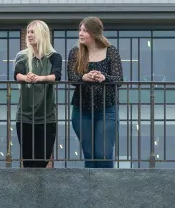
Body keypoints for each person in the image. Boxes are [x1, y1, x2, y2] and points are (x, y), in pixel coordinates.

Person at [67, 16, 123, 168]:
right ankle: (90, 190)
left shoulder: (111, 51)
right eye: (80, 30)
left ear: (94, 33)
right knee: (90, 155)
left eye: (84, 30)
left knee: (103, 154)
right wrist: (84, 77)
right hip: (82, 110)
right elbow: (71, 78)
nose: (80, 33)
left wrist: (104, 77)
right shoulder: (75, 52)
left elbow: (119, 79)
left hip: (107, 110)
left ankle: (106, 190)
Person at [14, 20, 62, 168]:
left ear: (42, 34)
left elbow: (56, 76)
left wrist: (41, 78)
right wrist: (27, 77)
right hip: (25, 115)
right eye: (28, 32)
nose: (29, 35)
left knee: (43, 159)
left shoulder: (54, 56)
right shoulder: (22, 56)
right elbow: (17, 75)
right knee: (28, 160)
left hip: (47, 116)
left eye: (32, 32)